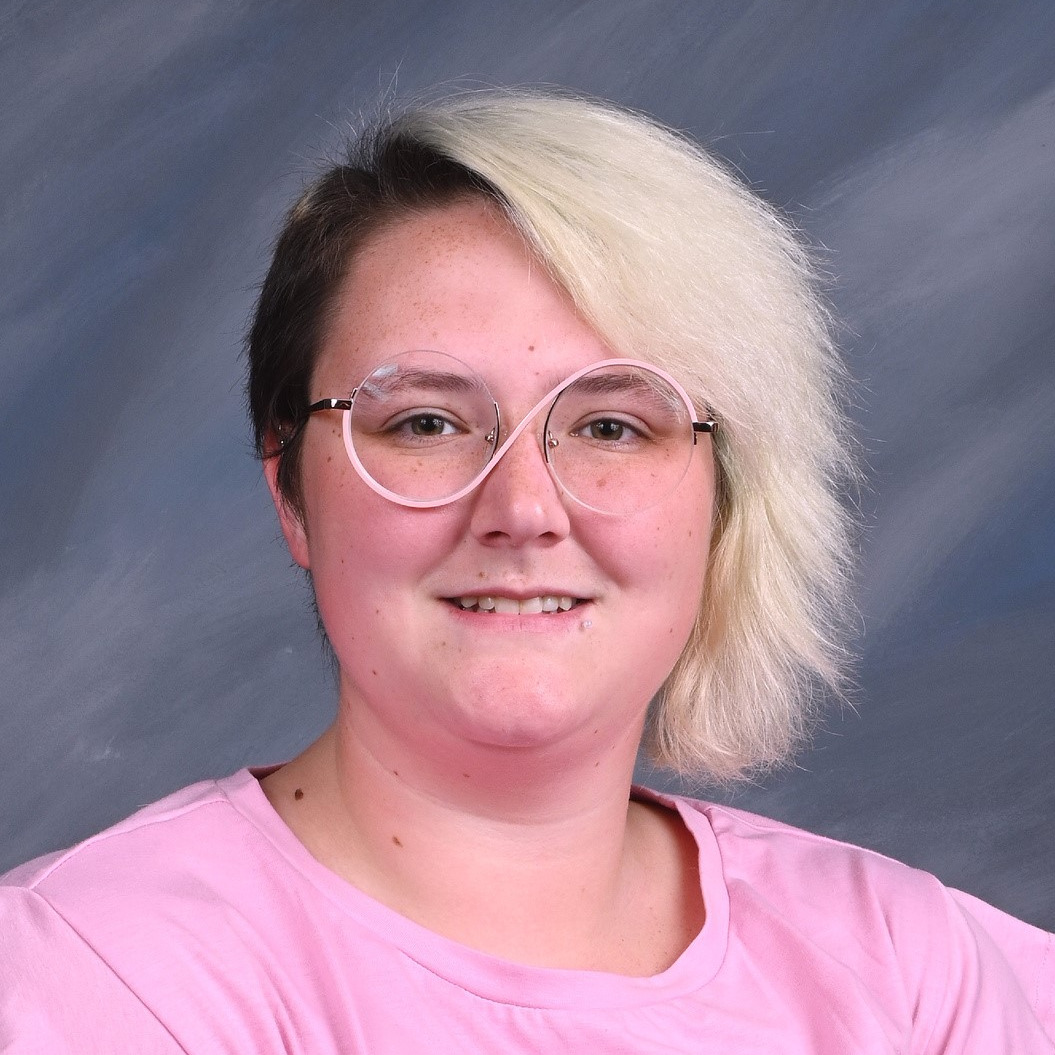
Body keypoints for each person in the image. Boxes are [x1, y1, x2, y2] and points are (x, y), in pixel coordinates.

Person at [1, 88, 1051, 1053]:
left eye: (610, 426)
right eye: (425, 422)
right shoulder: (86, 974)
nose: (522, 511)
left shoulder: (920, 975)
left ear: (725, 499)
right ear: (289, 489)